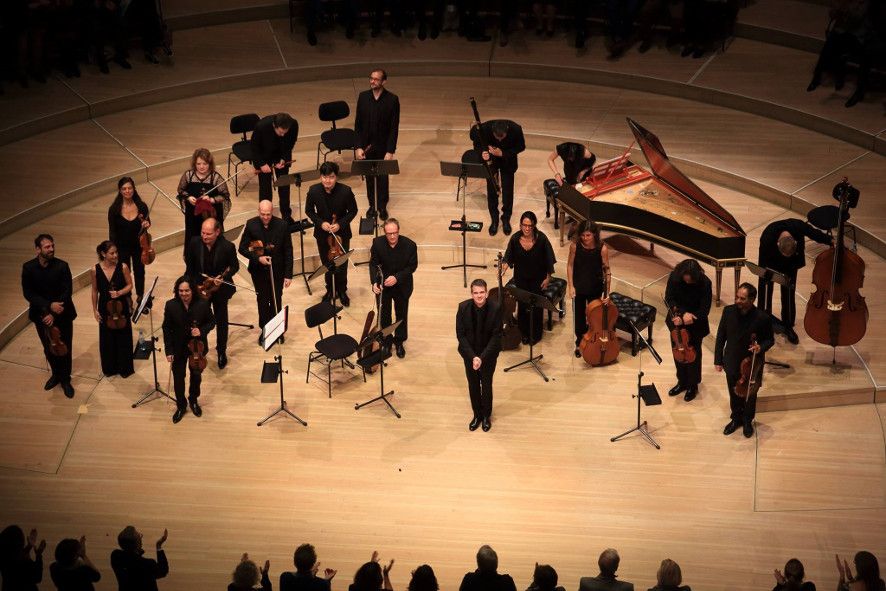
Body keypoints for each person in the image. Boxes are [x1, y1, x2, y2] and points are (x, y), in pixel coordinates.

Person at [757, 218, 831, 344]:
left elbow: (813, 233)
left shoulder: (798, 226)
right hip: (771, 261)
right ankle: (763, 321)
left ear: (795, 243)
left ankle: (788, 325)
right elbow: (763, 265)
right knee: (765, 289)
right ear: (778, 244)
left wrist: (830, 240)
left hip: (791, 263)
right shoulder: (768, 237)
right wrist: (766, 273)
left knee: (789, 293)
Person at [714, 282, 774, 438]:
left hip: (752, 364)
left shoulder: (762, 317)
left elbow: (770, 340)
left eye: (742, 298)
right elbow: (721, 336)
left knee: (750, 395)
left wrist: (760, 347)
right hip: (732, 361)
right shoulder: (728, 312)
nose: (737, 301)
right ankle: (736, 419)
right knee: (734, 393)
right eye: (737, 297)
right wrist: (718, 360)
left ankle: (747, 421)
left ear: (752, 299)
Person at [22, 234, 77, 398]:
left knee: (65, 347)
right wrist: (47, 307)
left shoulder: (62, 266)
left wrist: (53, 311)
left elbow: (67, 291)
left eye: (52, 246)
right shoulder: (28, 268)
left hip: (62, 313)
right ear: (38, 249)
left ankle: (65, 379)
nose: (51, 249)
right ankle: (56, 375)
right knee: (48, 347)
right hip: (41, 315)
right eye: (47, 247)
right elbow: (28, 293)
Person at [185, 217, 240, 369]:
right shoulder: (195, 243)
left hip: (220, 290)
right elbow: (190, 268)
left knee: (222, 321)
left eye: (208, 234)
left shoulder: (228, 246)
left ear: (217, 232)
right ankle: (203, 348)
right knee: (200, 321)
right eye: (203, 233)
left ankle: (221, 351)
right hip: (200, 289)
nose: (204, 236)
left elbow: (234, 267)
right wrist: (194, 286)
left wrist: (223, 278)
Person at [162, 276, 215, 424]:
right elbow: (166, 328)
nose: (184, 294)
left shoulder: (203, 304)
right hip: (178, 348)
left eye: (186, 290)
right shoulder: (171, 305)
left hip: (197, 348)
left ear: (192, 290)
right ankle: (181, 405)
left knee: (196, 377)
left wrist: (201, 330)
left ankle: (193, 400)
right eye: (180, 291)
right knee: (178, 378)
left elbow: (212, 321)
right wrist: (168, 350)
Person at [305, 161, 358, 307]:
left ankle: (342, 290)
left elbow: (353, 211)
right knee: (327, 264)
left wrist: (340, 224)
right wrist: (320, 223)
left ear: (336, 177)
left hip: (342, 234)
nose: (327, 181)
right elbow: (309, 211)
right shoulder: (313, 191)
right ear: (321, 176)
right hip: (323, 235)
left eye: (331, 177)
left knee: (342, 263)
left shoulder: (346, 191)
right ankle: (330, 290)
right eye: (324, 177)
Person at [238, 200, 294, 339]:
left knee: (276, 299)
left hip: (277, 270)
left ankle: (277, 330)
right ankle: (265, 330)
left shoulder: (282, 225)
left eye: (268, 214)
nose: (265, 217)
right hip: (258, 271)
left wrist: (288, 275)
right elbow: (242, 248)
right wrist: (258, 259)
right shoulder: (251, 224)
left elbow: (288, 250)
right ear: (258, 211)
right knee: (262, 301)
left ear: (272, 212)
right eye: (262, 214)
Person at [500, 211, 556, 345]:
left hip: (538, 279)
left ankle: (536, 335)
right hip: (521, 279)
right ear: (520, 225)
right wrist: (502, 269)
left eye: (530, 226)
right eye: (524, 225)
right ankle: (523, 333)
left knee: (536, 307)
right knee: (523, 306)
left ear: (534, 226)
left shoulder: (542, 239)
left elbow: (549, 261)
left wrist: (548, 278)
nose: (527, 228)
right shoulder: (514, 239)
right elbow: (508, 258)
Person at [456, 279, 502, 432]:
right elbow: (461, 336)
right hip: (470, 354)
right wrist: (473, 357)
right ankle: (477, 415)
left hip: (488, 355)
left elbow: (496, 337)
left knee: (486, 385)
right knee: (473, 385)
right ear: (471, 294)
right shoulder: (462, 308)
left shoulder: (496, 308)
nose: (479, 296)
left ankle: (486, 416)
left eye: (482, 292)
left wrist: (481, 358)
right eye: (475, 293)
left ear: (486, 293)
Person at [355, 68, 400, 220]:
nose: (372, 81)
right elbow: (358, 125)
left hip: (383, 147)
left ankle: (382, 206)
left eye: (376, 79)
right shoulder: (363, 97)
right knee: (369, 177)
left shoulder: (392, 100)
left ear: (384, 81)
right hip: (367, 146)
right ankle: (372, 205)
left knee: (382, 177)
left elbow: (394, 127)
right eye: (371, 78)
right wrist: (358, 146)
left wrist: (390, 150)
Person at [664, 259, 712, 402]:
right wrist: (681, 314)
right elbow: (669, 299)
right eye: (685, 279)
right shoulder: (674, 277)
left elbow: (704, 310)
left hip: (695, 325)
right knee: (677, 351)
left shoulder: (705, 283)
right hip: (676, 321)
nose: (687, 282)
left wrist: (688, 317)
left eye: (690, 281)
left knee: (693, 356)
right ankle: (682, 382)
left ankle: (693, 385)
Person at [370, 218, 418, 357]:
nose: (392, 236)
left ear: (398, 231)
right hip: (383, 285)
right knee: (384, 314)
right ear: (384, 232)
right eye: (389, 233)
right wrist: (374, 282)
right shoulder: (377, 243)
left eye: (395, 233)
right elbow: (373, 264)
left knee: (401, 314)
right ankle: (386, 341)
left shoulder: (410, 245)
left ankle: (399, 341)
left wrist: (397, 277)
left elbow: (412, 266)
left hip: (402, 286)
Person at [469, 118, 525, 236]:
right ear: (492, 131)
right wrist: (482, 153)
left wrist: (503, 153)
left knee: (508, 191)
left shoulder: (515, 129)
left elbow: (521, 147)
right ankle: (494, 219)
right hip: (491, 161)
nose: (499, 139)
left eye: (502, 137)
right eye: (497, 137)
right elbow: (474, 140)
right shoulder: (485, 128)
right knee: (492, 190)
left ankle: (506, 219)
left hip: (508, 160)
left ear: (507, 131)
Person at [90, 240, 134, 378]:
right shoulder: (95, 270)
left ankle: (124, 368)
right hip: (105, 307)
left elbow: (130, 285)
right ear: (103, 254)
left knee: (123, 337)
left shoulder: (123, 267)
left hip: (121, 307)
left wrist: (119, 293)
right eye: (112, 253)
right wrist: (94, 310)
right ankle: (110, 368)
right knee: (107, 338)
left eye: (116, 252)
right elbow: (94, 290)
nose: (115, 255)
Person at [176, 147, 231, 257]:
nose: (201, 167)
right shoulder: (188, 175)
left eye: (205, 164)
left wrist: (211, 199)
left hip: (210, 215)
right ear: (194, 164)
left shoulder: (215, 178)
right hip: (193, 215)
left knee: (211, 239)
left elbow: (225, 196)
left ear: (210, 164)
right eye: (198, 164)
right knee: (193, 237)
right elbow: (180, 190)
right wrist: (188, 197)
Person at [567, 220, 611, 357]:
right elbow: (570, 266)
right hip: (579, 287)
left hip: (595, 287)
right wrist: (570, 286)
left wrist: (607, 293)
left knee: (593, 319)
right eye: (583, 235)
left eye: (588, 235)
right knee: (579, 320)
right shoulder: (575, 246)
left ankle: (593, 343)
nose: (585, 238)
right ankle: (579, 343)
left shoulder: (602, 248)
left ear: (594, 235)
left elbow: (607, 272)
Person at [108, 177, 151, 303]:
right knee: (124, 273)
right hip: (121, 247)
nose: (127, 191)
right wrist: (113, 251)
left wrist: (146, 225)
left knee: (139, 271)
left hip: (139, 245)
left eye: (130, 188)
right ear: (120, 191)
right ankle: (127, 297)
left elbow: (148, 223)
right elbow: (112, 232)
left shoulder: (142, 206)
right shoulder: (114, 209)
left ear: (134, 189)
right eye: (124, 189)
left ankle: (140, 295)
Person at [251, 112, 298, 224]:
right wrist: (262, 164)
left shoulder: (293, 124)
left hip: (281, 155)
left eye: (285, 132)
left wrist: (284, 157)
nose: (282, 135)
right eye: (281, 132)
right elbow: (254, 147)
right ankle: (265, 217)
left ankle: (286, 215)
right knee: (265, 188)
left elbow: (291, 142)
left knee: (284, 186)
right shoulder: (261, 126)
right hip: (263, 156)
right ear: (274, 126)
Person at [110, 526, 169, 591]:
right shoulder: (147, 564)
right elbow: (163, 571)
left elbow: (131, 557)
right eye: (139, 536)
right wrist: (158, 545)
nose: (141, 537)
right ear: (137, 543)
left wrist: (137, 551)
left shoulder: (116, 556)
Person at [0, 525, 45, 591]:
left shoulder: (4, 558)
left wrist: (28, 547)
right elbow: (37, 576)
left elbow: (16, 555)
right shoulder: (23, 562)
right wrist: (38, 555)